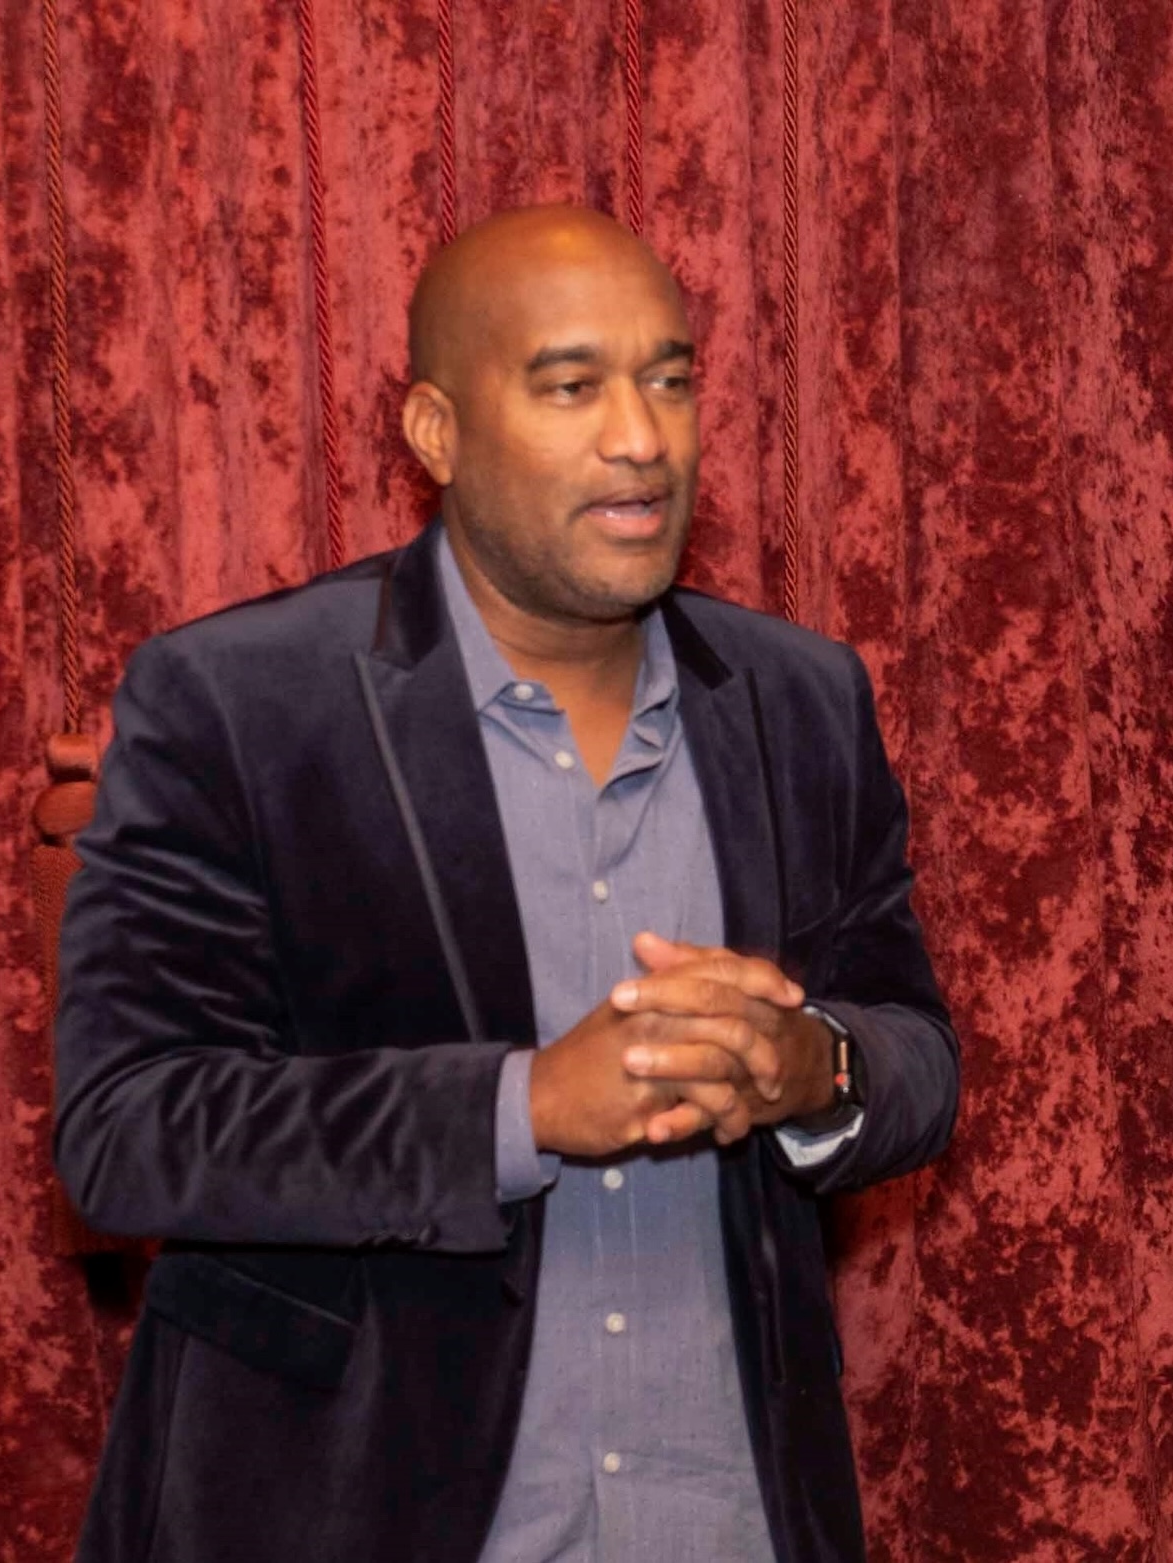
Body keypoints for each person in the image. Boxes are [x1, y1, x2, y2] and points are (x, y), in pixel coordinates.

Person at [53, 205, 958, 1563]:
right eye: (570, 385)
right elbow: (128, 1133)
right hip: (347, 1517)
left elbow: (919, 1060)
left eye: (669, 378)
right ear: (435, 433)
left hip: (725, 1517)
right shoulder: (234, 704)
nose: (642, 437)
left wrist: (812, 1072)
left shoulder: (802, 701)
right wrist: (523, 1106)